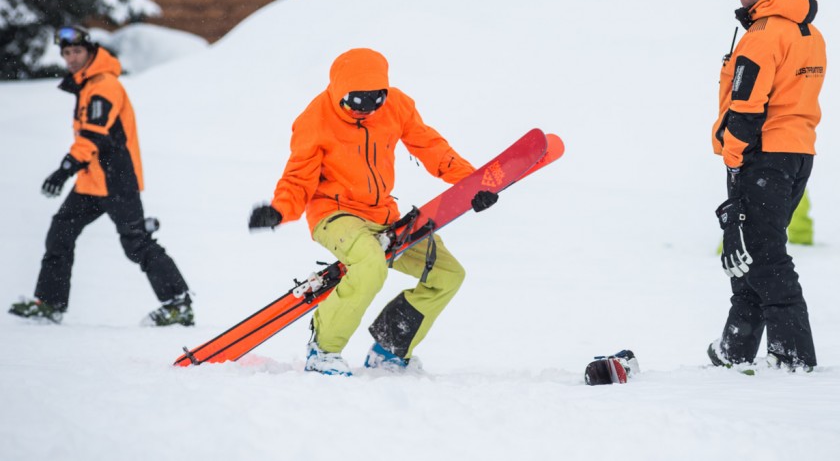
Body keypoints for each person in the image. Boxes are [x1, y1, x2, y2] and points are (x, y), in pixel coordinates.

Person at [248, 47, 498, 376]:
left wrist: (471, 184)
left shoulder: (397, 106)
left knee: (448, 275)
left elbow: (431, 147)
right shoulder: (314, 121)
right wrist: (279, 211)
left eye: (375, 99)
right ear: (339, 92)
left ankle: (389, 349)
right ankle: (322, 350)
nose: (366, 109)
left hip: (384, 216)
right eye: (356, 101)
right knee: (370, 266)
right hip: (334, 215)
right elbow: (298, 178)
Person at [9, 26, 193, 326]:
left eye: (77, 52)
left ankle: (179, 305)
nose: (71, 58)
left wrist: (64, 169)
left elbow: (94, 136)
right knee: (60, 233)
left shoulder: (104, 85)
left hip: (117, 179)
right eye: (66, 53)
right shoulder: (86, 85)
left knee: (136, 243)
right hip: (91, 180)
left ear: (91, 51)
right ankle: (50, 303)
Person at [707, 0, 826, 372]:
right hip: (797, 153)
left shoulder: (762, 37)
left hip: (763, 155)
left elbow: (745, 109)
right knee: (749, 254)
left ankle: (792, 356)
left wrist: (734, 161)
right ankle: (735, 350)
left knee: (764, 253)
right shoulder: (808, 33)